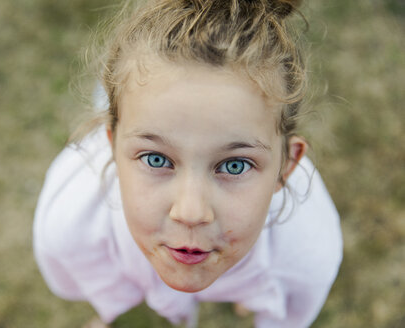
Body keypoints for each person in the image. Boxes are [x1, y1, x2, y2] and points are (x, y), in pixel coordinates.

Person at [33, 0, 343, 327]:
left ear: (286, 166)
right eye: (156, 159)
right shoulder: (72, 228)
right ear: (110, 147)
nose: (191, 212)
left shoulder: (306, 256)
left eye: (235, 165)